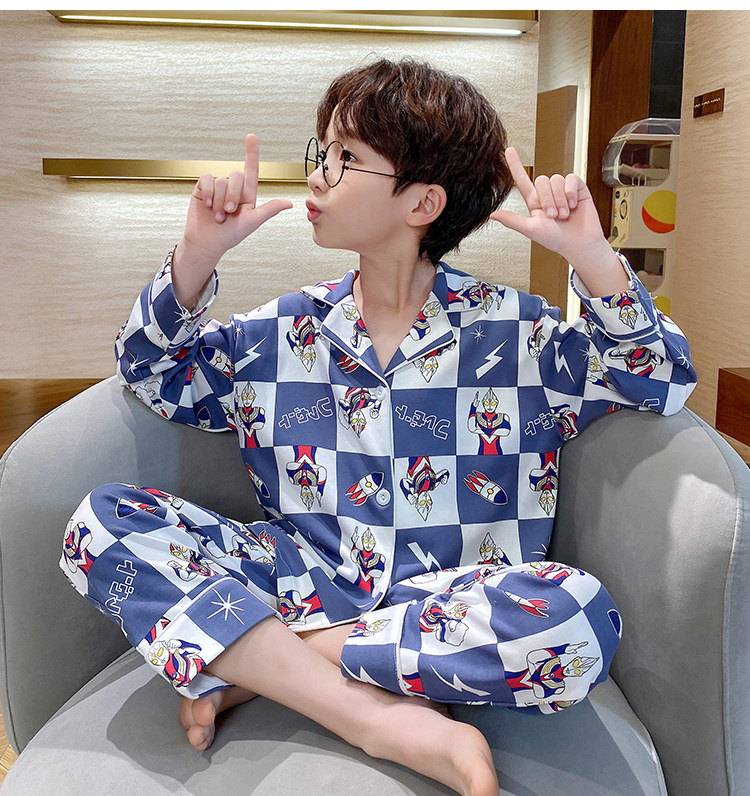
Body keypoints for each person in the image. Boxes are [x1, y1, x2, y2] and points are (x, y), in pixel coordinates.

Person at [61, 59, 696, 795]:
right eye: (322, 152)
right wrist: (199, 252)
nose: (318, 176)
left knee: (578, 617)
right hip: (297, 581)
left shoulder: (520, 336)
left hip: (454, 606)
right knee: (98, 525)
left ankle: (265, 664)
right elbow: (151, 372)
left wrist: (591, 254)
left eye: (345, 158)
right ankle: (371, 716)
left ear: (423, 202)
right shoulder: (280, 332)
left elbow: (662, 380)